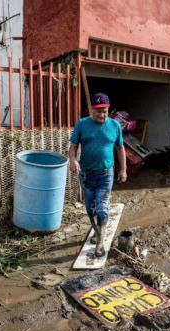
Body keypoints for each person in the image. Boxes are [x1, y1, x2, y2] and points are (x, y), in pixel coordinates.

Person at [69, 93, 127, 257]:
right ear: (92, 110)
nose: (102, 115)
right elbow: (73, 146)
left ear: (108, 110)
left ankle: (100, 241)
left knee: (102, 210)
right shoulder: (82, 124)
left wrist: (123, 170)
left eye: (105, 111)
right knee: (90, 208)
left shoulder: (115, 126)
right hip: (86, 175)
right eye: (98, 111)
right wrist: (73, 160)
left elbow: (120, 148)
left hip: (105, 174)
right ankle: (96, 231)